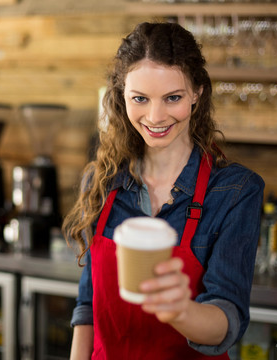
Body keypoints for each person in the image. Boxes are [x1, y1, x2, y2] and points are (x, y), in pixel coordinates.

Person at [62, 22, 265, 359]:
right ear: (121, 95)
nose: (155, 117)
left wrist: (180, 311)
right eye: (140, 98)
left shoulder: (235, 191)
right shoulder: (102, 180)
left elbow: (226, 320)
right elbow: (88, 304)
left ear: (197, 93)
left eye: (173, 97)